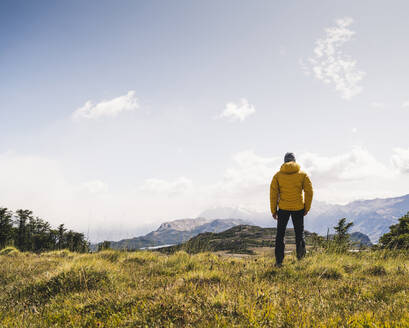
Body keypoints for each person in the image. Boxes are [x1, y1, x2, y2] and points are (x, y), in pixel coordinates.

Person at [270, 152, 313, 267]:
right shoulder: (303, 175)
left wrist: (273, 210)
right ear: (294, 161)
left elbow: (273, 194)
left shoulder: (277, 176)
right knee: (299, 234)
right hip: (298, 208)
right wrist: (306, 207)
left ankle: (279, 262)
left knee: (280, 235)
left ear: (284, 161)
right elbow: (309, 192)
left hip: (283, 208)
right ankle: (301, 260)